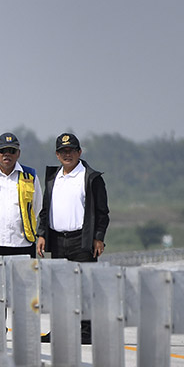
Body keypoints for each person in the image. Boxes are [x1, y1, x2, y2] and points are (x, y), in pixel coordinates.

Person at [36, 132, 110, 343]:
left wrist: (98, 237)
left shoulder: (90, 177)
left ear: (79, 152)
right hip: (58, 240)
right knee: (59, 288)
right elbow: (45, 209)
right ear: (57, 155)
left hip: (82, 240)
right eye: (63, 151)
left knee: (85, 286)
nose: (67, 155)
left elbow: (102, 212)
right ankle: (60, 330)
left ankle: (87, 332)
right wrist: (41, 234)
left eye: (71, 151)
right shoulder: (53, 177)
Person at [0, 132, 41, 257]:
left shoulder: (29, 176)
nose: (7, 154)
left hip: (23, 244)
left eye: (12, 151)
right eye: (3, 151)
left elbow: (37, 206)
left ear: (18, 154)